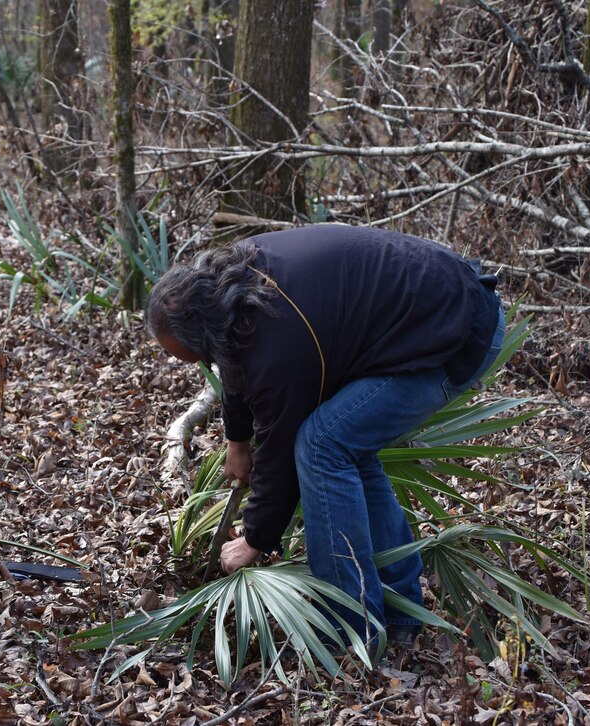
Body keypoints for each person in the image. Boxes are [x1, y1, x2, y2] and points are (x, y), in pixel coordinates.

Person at [146, 224, 504, 647]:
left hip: (455, 334)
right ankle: (402, 611)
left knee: (321, 445)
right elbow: (232, 360)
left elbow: (281, 451)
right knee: (346, 444)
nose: (192, 364)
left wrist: (255, 539)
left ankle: (351, 629)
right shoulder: (235, 281)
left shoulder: (277, 341)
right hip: (429, 311)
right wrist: (237, 442)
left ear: (204, 327)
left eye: (190, 355)